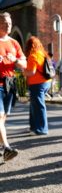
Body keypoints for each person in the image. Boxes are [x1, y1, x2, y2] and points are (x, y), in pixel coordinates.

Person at [0, 12, 27, 161]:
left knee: (3, 118)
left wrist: (15, 60)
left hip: (9, 83)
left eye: (9, 23)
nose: (8, 25)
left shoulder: (14, 43)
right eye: (4, 22)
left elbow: (25, 64)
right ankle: (7, 148)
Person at [23, 36, 52, 135]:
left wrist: (23, 71)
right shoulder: (42, 54)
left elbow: (31, 72)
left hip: (37, 84)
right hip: (46, 82)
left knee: (38, 106)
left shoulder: (33, 56)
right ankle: (33, 127)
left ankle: (41, 129)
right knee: (34, 105)